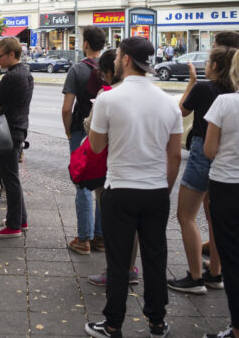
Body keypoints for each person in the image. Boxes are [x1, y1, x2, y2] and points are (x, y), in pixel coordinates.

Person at [85, 37, 182, 338]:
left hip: (120, 189)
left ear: (126, 59)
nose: (114, 61)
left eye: (117, 57)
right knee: (155, 257)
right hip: (155, 191)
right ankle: (157, 321)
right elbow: (175, 154)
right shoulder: (169, 103)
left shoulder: (108, 98)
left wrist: (91, 127)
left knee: (118, 260)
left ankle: (113, 323)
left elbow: (97, 147)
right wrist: (164, 189)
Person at [167, 47, 236, 295]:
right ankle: (215, 273)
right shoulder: (232, 92)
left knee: (186, 216)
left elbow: (179, 112)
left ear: (215, 66)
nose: (205, 65)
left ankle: (195, 277)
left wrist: (192, 83)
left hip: (201, 151)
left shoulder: (204, 88)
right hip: (225, 159)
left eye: (208, 61)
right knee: (214, 219)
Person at [83, 49, 140, 287]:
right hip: (138, 169)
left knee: (112, 222)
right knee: (133, 224)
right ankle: (130, 267)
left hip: (109, 168)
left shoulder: (106, 96)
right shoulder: (144, 94)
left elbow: (94, 136)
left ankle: (115, 270)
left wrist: (88, 121)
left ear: (110, 71)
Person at [203, 51, 239, 338]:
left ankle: (236, 327)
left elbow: (209, 151)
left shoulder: (225, 103)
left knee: (232, 258)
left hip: (226, 186)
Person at [62, 26, 106, 255]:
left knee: (82, 183)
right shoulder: (111, 68)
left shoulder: (77, 70)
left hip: (81, 130)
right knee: (101, 183)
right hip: (106, 132)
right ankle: (100, 238)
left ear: (86, 43)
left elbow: (67, 109)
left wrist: (69, 132)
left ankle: (83, 239)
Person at [0, 36, 34, 238]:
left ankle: (14, 225)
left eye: (0, 57)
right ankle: (20, 219)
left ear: (12, 54)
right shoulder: (26, 72)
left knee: (10, 177)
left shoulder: (12, 77)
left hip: (8, 131)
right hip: (18, 128)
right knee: (11, 177)